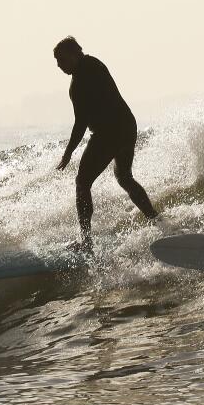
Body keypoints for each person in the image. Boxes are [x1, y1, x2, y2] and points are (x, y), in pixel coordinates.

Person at [53, 36, 158, 254]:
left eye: (62, 59)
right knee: (125, 177)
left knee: (82, 183)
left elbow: (80, 123)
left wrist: (68, 153)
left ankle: (86, 242)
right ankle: (154, 220)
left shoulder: (80, 81)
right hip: (127, 126)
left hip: (109, 133)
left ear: (75, 53)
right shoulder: (95, 63)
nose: (59, 65)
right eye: (57, 61)